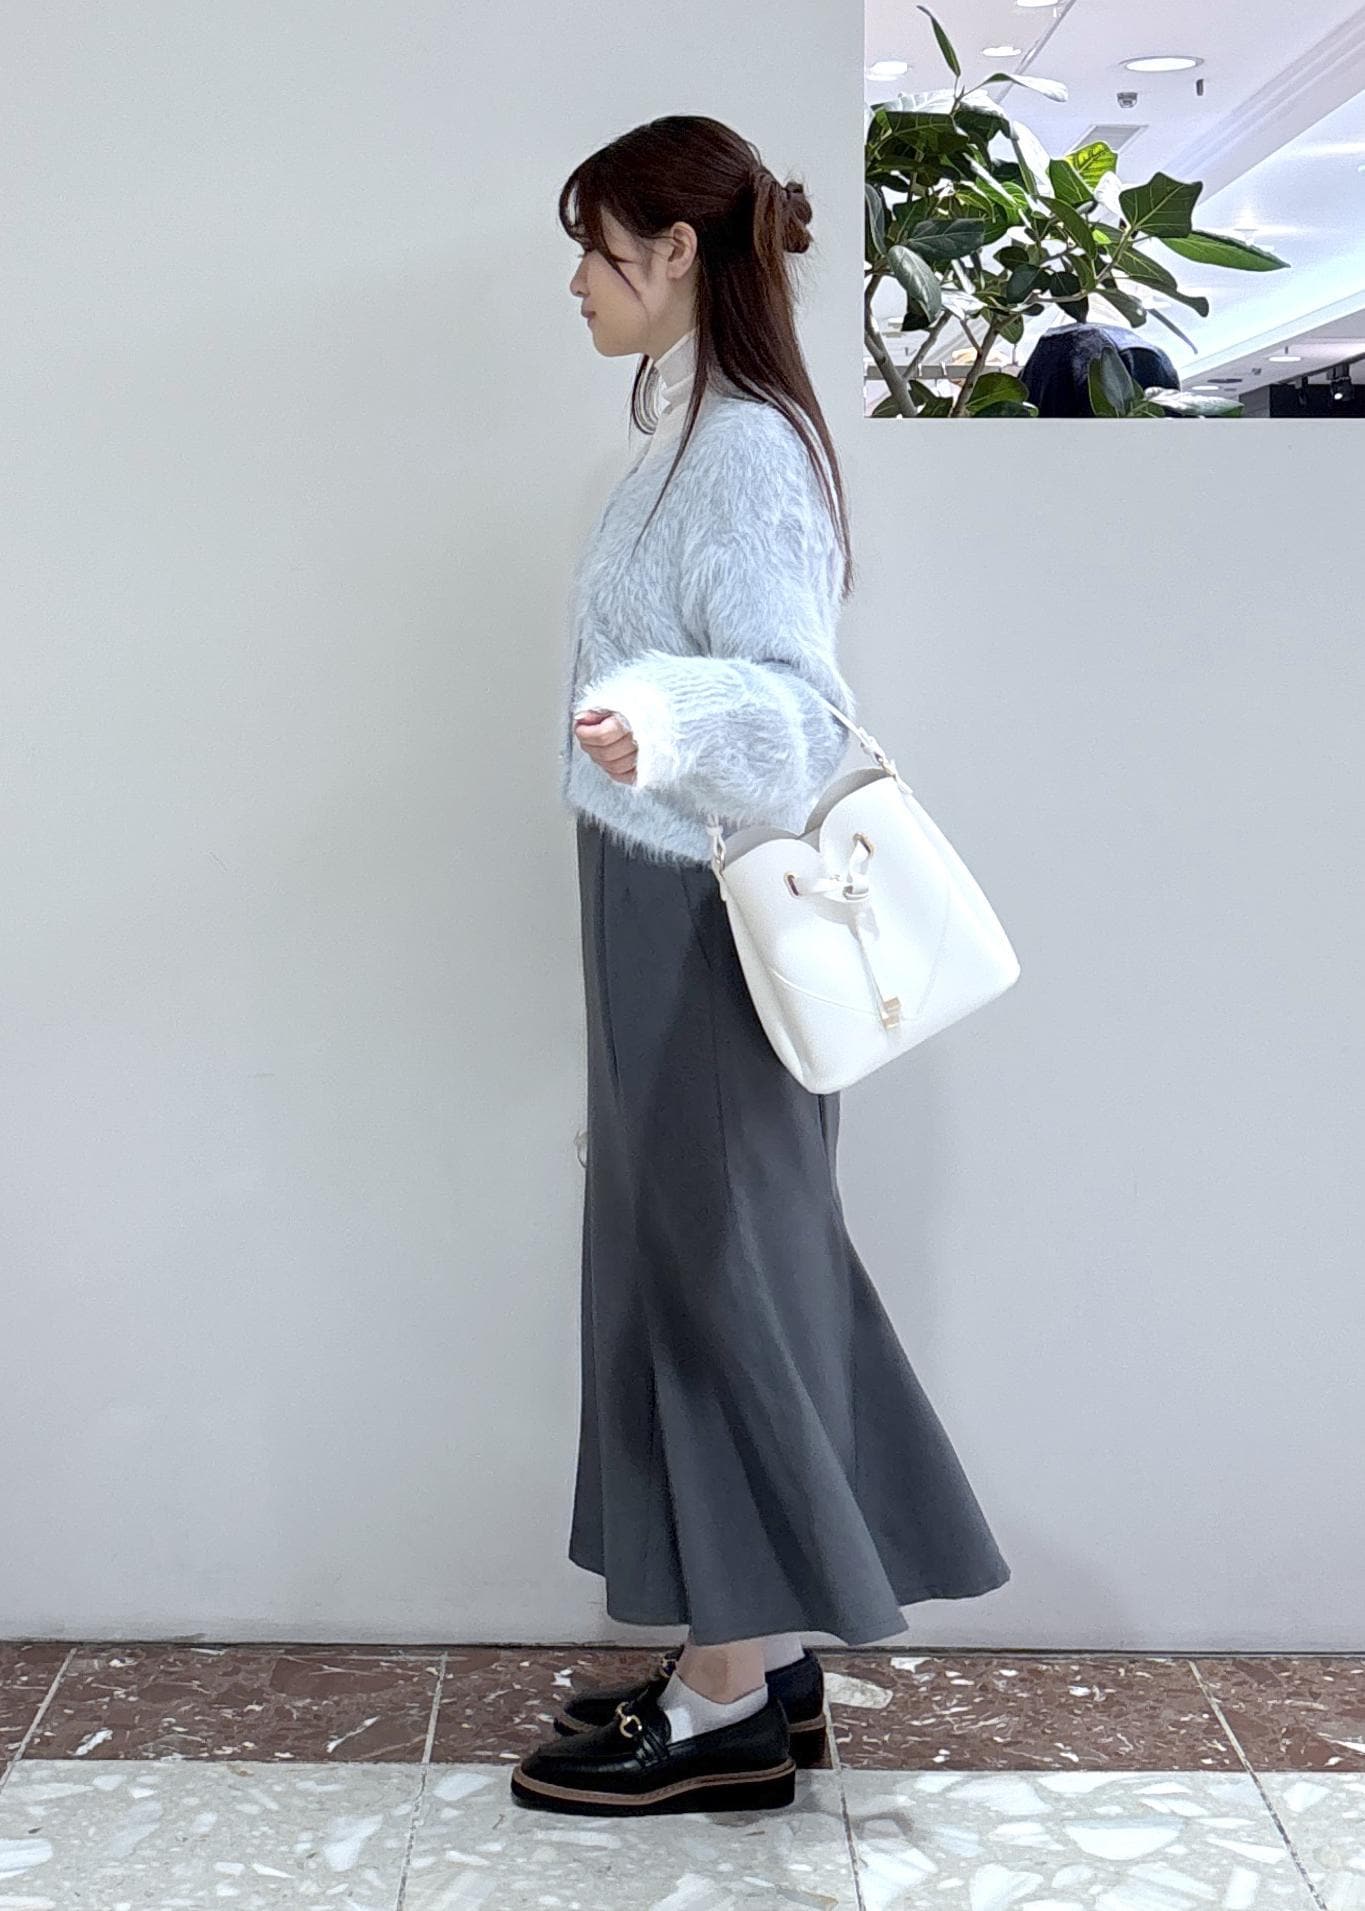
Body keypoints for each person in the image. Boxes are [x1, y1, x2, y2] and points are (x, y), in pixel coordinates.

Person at [510, 115, 1011, 1819]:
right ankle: (760, 1653)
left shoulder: (740, 452)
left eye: (596, 247)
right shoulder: (693, 432)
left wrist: (655, 715)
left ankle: (727, 1697)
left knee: (721, 1270)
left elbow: (794, 705)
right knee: (695, 1263)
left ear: (677, 253)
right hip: (654, 889)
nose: (576, 282)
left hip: (704, 914)